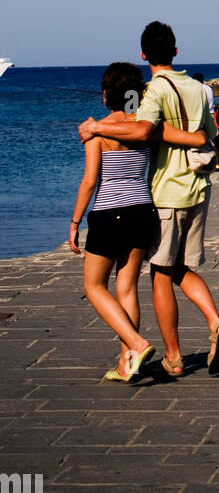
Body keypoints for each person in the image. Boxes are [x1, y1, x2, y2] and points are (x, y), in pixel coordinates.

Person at [80, 21, 219, 378]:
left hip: (168, 191)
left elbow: (141, 129)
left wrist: (97, 127)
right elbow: (207, 135)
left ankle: (174, 358)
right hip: (199, 188)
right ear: (176, 51)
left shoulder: (153, 91)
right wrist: (193, 139)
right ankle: (215, 322)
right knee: (181, 268)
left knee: (161, 275)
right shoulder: (198, 88)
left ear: (143, 54)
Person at [70, 62, 157, 382]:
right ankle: (126, 362)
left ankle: (136, 343)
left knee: (94, 287)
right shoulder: (142, 128)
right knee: (127, 288)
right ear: (135, 92)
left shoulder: (98, 130)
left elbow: (90, 182)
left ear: (107, 94)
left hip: (109, 214)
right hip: (142, 211)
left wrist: (75, 221)